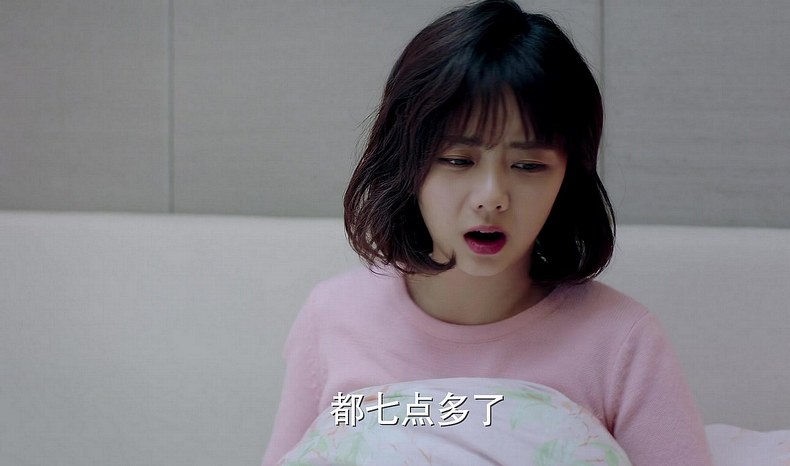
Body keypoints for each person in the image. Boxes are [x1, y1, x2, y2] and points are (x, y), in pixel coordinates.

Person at [262, 0, 713, 464]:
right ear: (407, 164)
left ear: (568, 179)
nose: (492, 196)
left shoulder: (621, 340)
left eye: (528, 165)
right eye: (459, 160)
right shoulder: (334, 315)